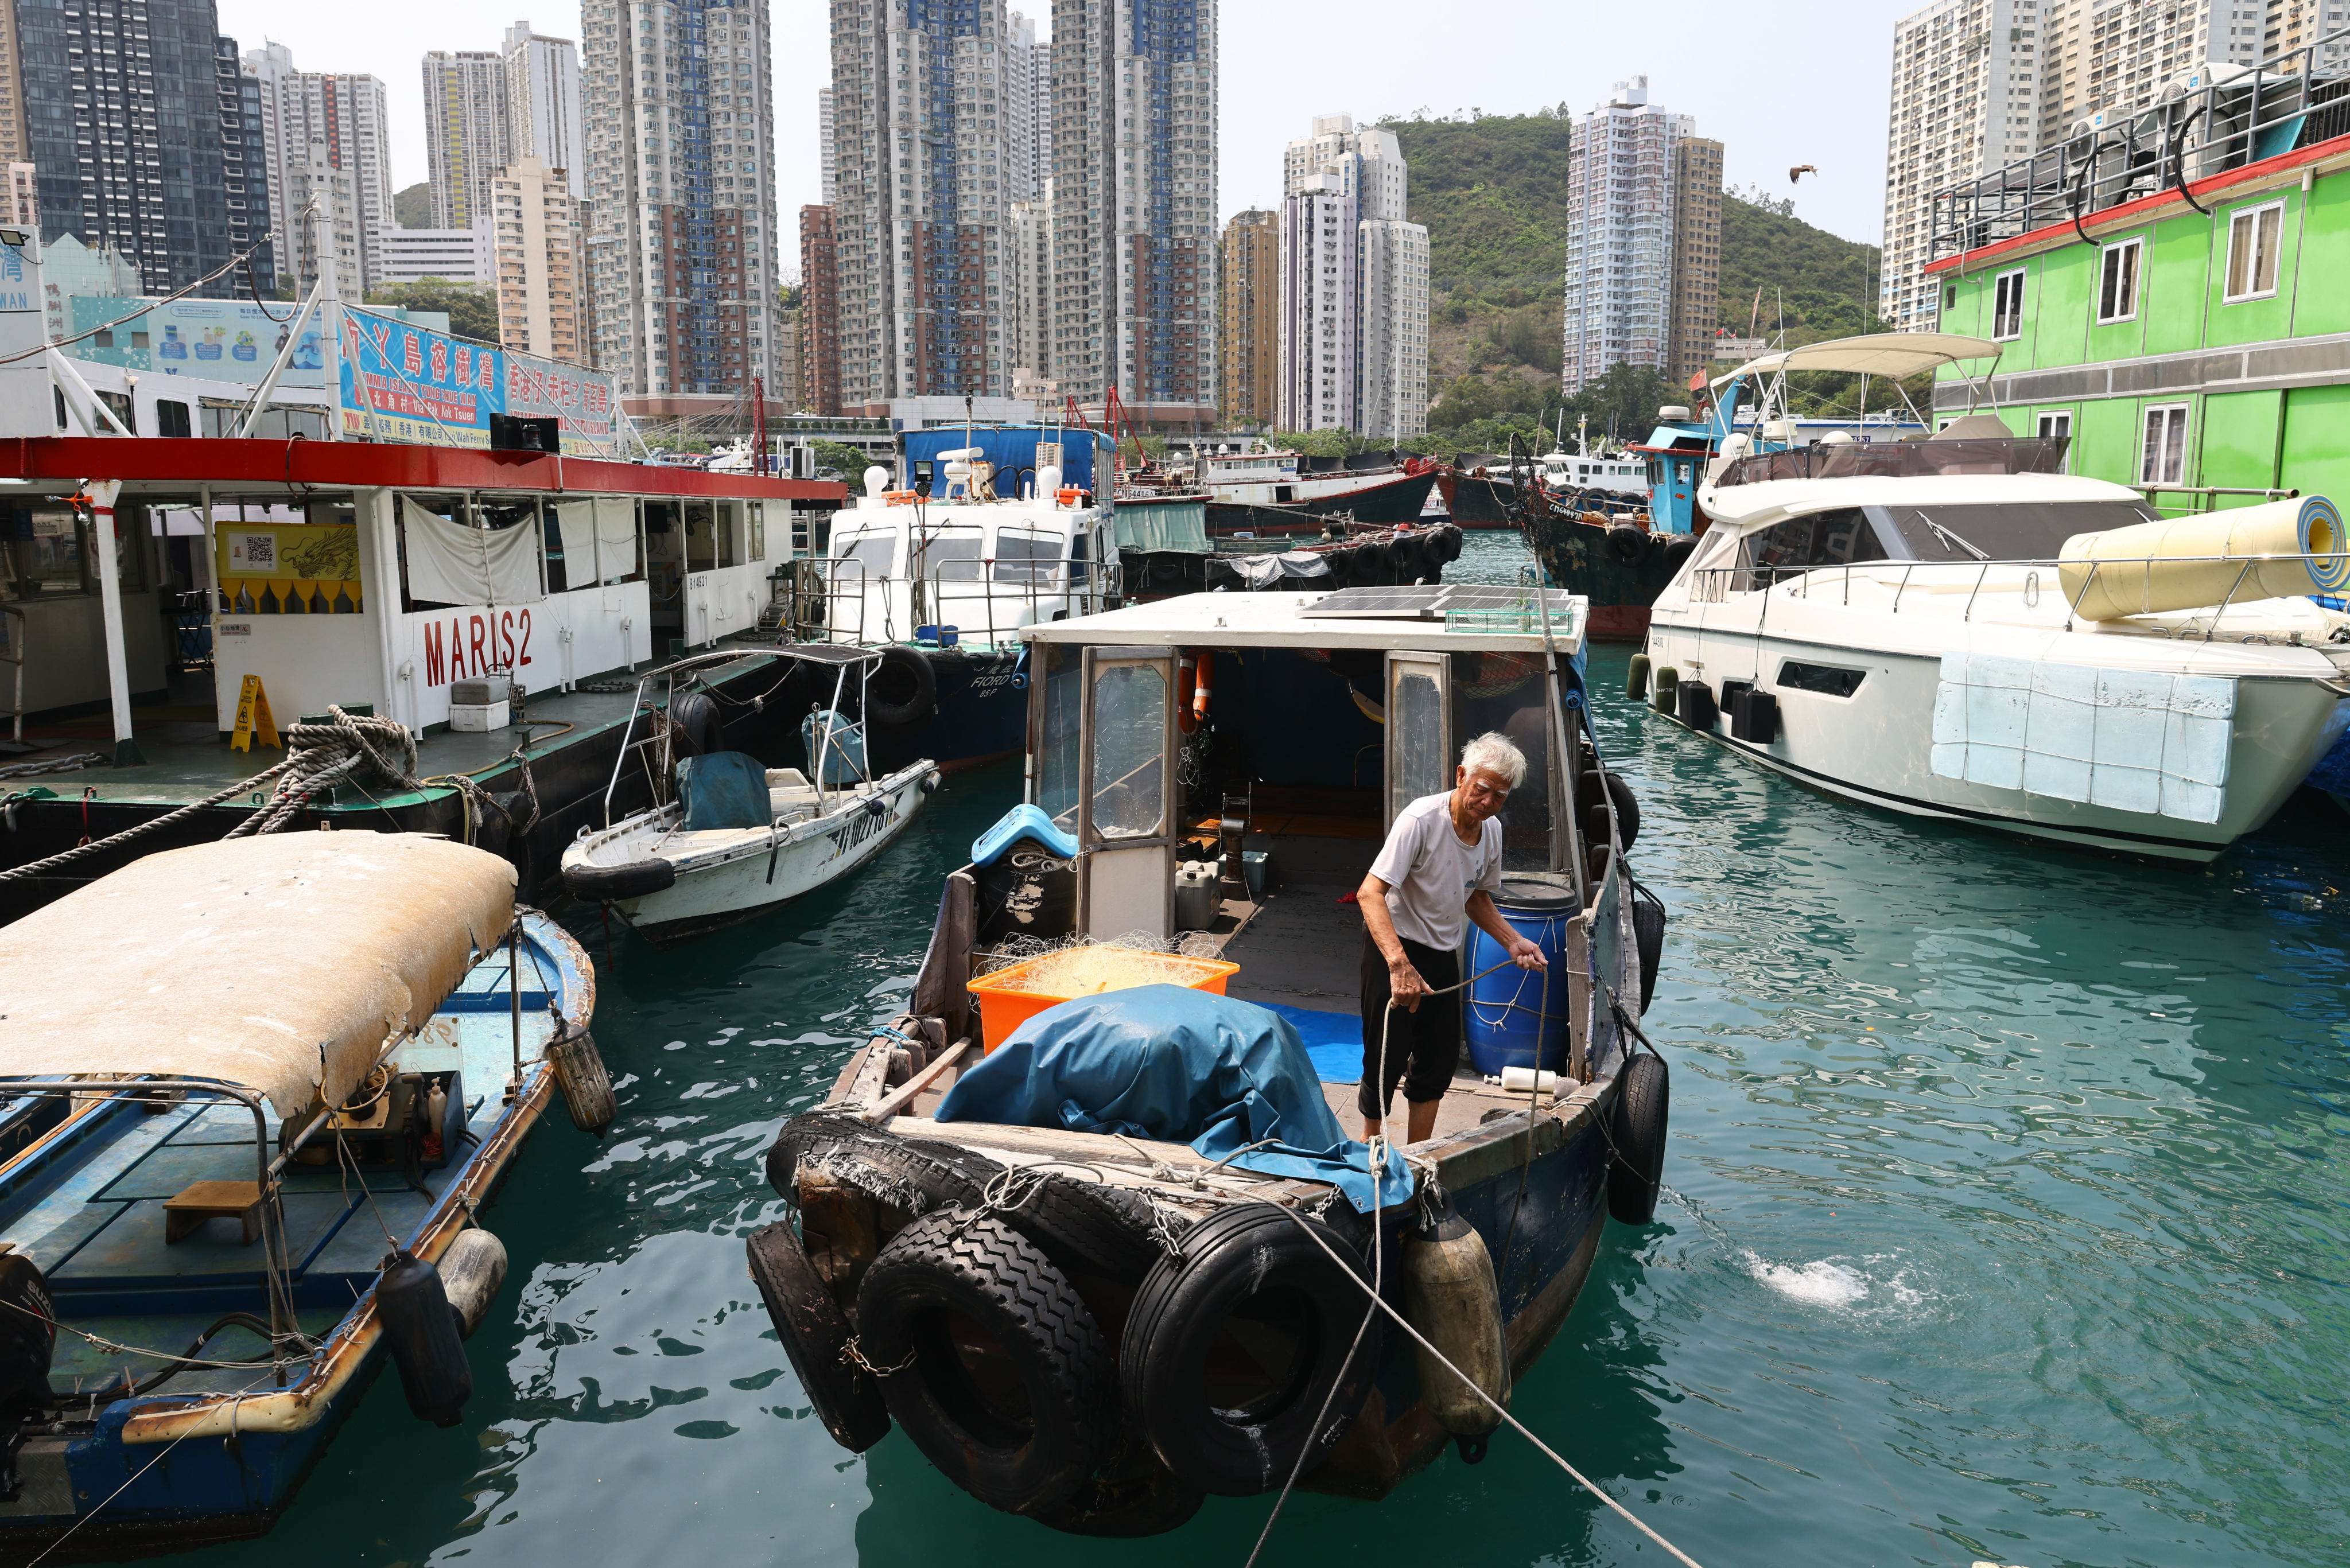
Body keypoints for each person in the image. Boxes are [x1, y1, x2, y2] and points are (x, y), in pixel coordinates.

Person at [1358, 733, 1547, 1144]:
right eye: (1481, 789)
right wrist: (1398, 964)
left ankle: (1418, 1156)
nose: (1488, 802)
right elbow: (1369, 892)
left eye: (1499, 796)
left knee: (1437, 1062)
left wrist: (1512, 940)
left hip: (1442, 953)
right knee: (1384, 1059)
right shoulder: (1420, 820)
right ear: (1461, 776)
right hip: (1394, 947)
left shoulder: (1491, 831)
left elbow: (1476, 898)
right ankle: (1369, 1154)